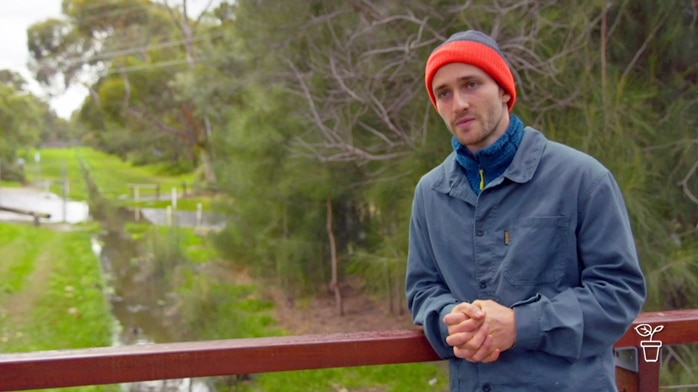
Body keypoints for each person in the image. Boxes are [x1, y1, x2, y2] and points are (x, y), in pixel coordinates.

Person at [405, 30, 647, 391]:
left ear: (504, 89)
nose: (458, 104)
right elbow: (423, 289)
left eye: (471, 84)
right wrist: (448, 320)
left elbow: (619, 292)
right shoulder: (430, 193)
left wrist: (521, 324)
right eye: (444, 93)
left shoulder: (582, 178)